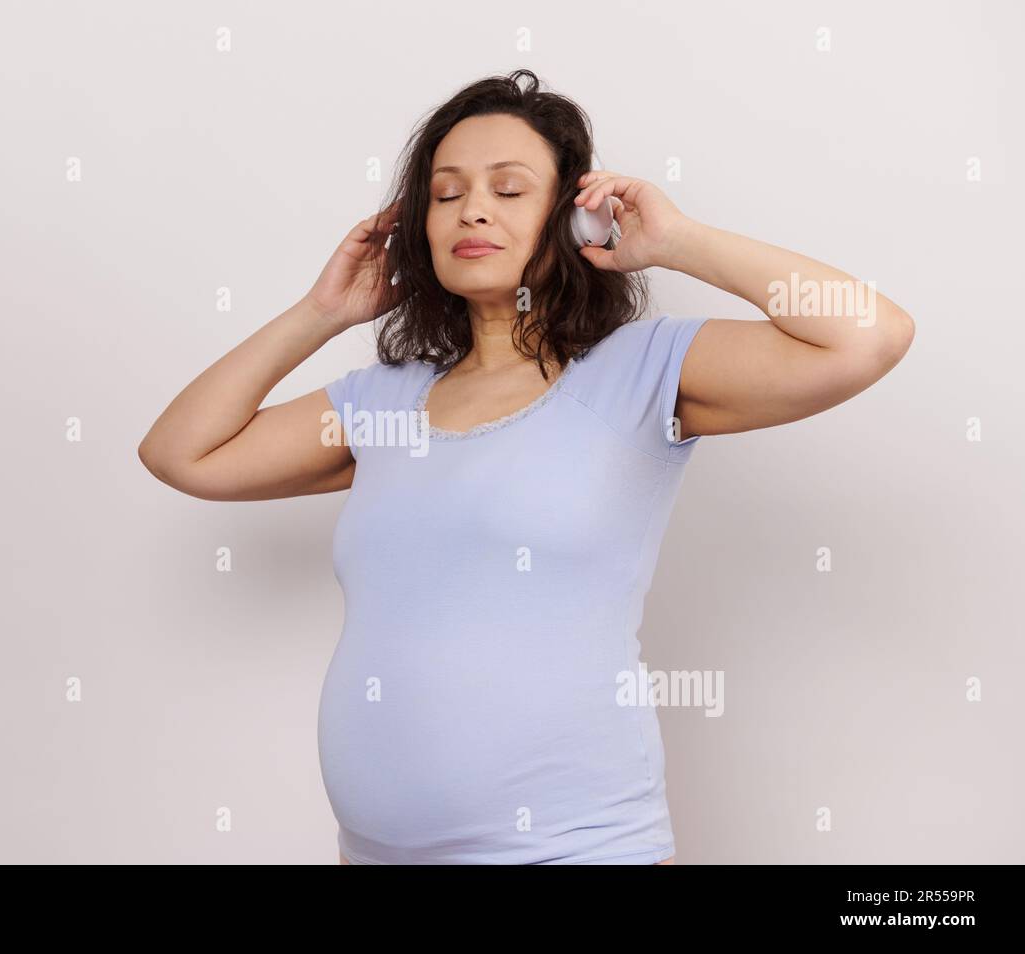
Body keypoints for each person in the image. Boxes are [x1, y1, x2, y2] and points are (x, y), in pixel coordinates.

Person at [137, 70, 914, 864]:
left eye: (509, 190)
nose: (473, 209)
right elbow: (181, 453)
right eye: (446, 193)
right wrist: (322, 314)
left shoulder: (640, 372)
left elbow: (869, 335)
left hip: (574, 849)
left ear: (574, 218)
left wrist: (679, 243)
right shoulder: (383, 403)